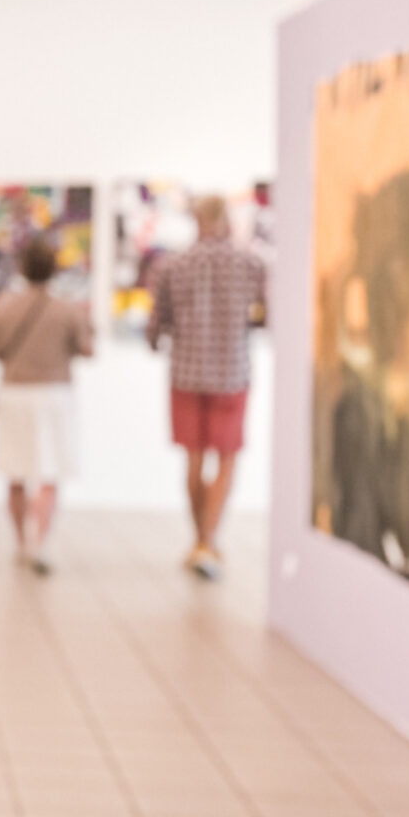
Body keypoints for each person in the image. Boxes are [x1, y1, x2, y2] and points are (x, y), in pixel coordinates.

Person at [148, 191, 266, 580]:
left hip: (186, 373)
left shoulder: (173, 265)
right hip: (232, 374)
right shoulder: (250, 264)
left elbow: (157, 323)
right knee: (227, 459)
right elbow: (267, 316)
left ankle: (200, 539)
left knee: (194, 459)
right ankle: (209, 541)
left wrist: (161, 339)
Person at [0, 232, 94, 574]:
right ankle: (39, 543)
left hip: (15, 394)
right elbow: (87, 349)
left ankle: (21, 542)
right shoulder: (68, 309)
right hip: (54, 396)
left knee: (15, 472)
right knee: (49, 471)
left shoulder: (4, 306)